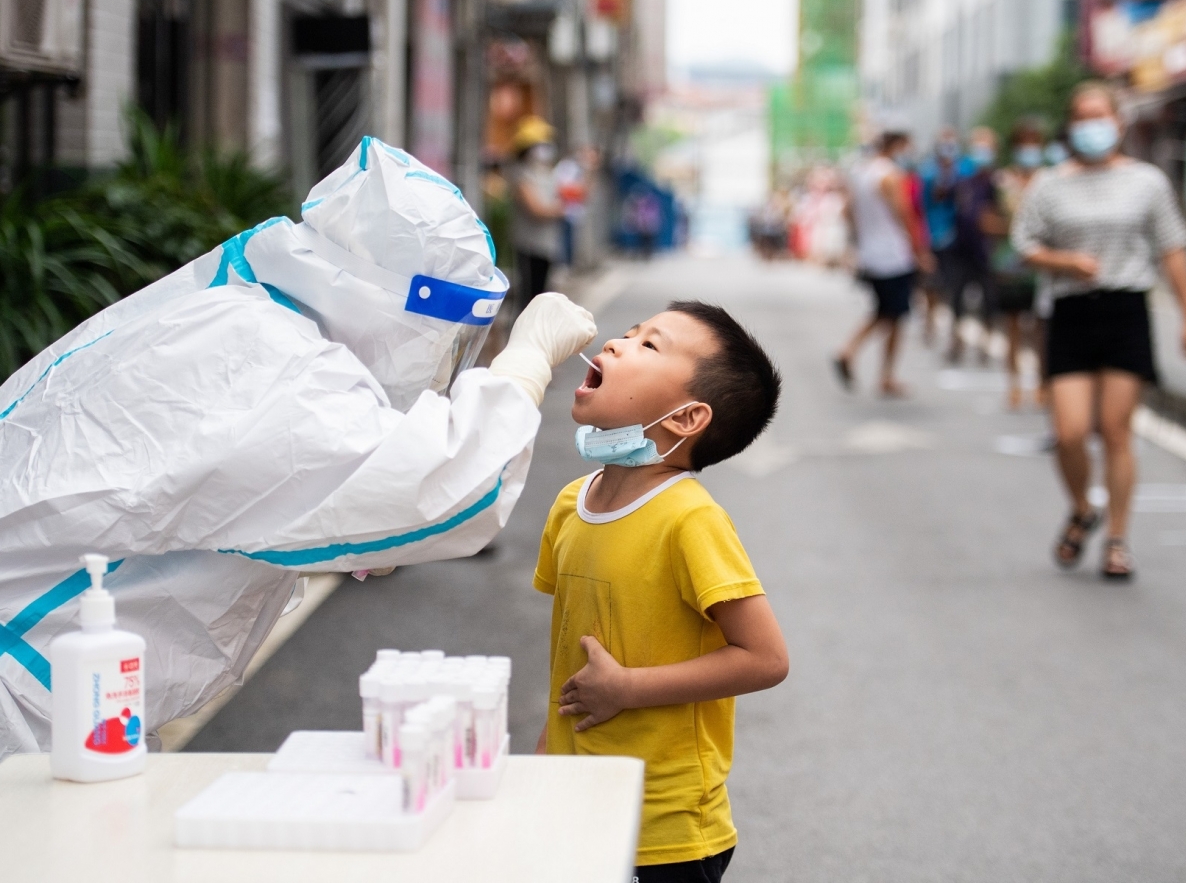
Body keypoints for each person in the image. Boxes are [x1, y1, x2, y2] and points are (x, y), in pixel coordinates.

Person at [0, 137, 598, 757]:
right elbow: (449, 486)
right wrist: (526, 358)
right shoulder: (272, 367)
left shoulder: (246, 318)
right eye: (445, 339)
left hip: (62, 683)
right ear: (395, 306)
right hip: (30, 696)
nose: (440, 359)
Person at [535, 301, 788, 881]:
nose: (618, 343)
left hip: (664, 830)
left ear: (684, 418)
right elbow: (571, 662)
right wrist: (545, 762)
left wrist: (627, 688)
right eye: (627, 334)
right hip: (576, 806)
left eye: (650, 345)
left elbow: (766, 658)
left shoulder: (688, 520)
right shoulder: (573, 504)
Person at [1012, 82, 1186, 580]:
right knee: (1070, 432)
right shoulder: (1050, 185)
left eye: (1100, 116)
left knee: (1117, 432)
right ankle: (1081, 508)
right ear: (1071, 126)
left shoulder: (1147, 182)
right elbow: (1024, 245)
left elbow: (1172, 247)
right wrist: (1065, 261)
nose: (1092, 125)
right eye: (1082, 117)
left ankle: (1117, 540)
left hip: (1126, 308)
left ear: (1118, 122)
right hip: (1071, 309)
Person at [835, 131, 934, 397]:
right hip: (894, 256)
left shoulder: (861, 174)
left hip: (871, 255)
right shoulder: (890, 175)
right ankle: (867, 362)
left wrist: (860, 243)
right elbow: (905, 214)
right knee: (893, 313)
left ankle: (878, 370)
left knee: (887, 311)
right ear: (897, 146)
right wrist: (919, 249)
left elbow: (847, 212)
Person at [987, 118, 1048, 408]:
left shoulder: (1051, 180)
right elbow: (985, 220)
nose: (1029, 149)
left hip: (1043, 267)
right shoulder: (1001, 181)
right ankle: (1013, 385)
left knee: (1040, 330)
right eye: (1024, 144)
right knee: (1011, 327)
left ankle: (1041, 384)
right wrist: (1012, 228)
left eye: (1034, 143)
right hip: (1010, 265)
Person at [947, 127, 1000, 364]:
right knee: (957, 297)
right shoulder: (963, 180)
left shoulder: (998, 182)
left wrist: (994, 227)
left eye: (986, 146)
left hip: (988, 252)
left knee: (989, 301)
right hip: (962, 248)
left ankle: (985, 343)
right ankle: (956, 341)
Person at [918, 126, 973, 344]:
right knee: (932, 283)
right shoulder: (929, 171)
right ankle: (929, 322)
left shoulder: (965, 169)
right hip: (934, 234)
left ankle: (955, 332)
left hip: (959, 237)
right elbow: (924, 204)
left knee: (955, 286)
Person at [508, 115, 564, 307]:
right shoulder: (521, 173)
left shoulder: (548, 173)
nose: (545, 148)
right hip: (530, 246)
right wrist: (560, 209)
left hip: (548, 245)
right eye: (540, 144)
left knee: (541, 295)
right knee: (529, 297)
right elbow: (536, 210)